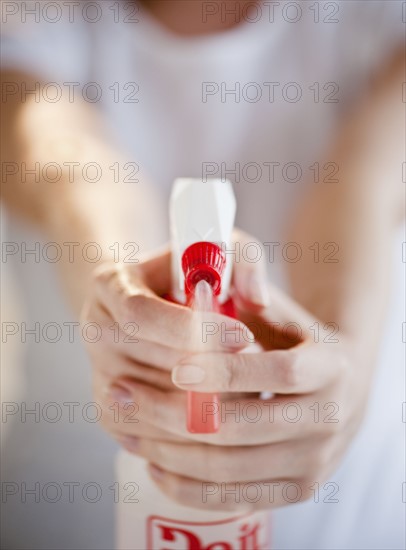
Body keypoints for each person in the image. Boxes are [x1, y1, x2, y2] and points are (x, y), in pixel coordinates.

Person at [1, 1, 404, 548]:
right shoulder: (34, 20)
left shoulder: (378, 18)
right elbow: (69, 164)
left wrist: (343, 361)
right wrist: (128, 297)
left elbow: (366, 179)